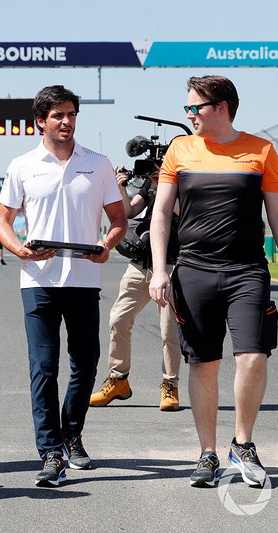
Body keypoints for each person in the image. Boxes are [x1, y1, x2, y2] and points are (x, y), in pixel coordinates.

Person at [149, 75, 278, 489]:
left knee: (253, 357)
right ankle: (206, 453)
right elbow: (162, 213)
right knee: (203, 364)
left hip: (247, 271)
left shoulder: (261, 150)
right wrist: (161, 269)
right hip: (194, 271)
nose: (188, 115)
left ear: (221, 107)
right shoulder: (180, 149)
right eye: (187, 108)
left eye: (194, 108)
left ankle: (243, 442)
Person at [0, 85, 127, 487]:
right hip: (38, 281)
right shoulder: (22, 164)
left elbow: (119, 220)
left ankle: (72, 433)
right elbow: (3, 220)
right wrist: (19, 249)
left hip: (84, 280)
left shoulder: (98, 163)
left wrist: (106, 246)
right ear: (41, 121)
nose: (67, 121)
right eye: (58, 115)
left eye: (71, 114)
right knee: (44, 367)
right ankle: (51, 451)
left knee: (86, 362)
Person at [89, 168, 183, 411]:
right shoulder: (147, 185)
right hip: (141, 263)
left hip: (172, 264)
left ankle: (169, 385)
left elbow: (183, 213)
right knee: (118, 319)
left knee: (168, 330)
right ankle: (118, 380)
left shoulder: (184, 180)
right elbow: (130, 211)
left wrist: (166, 182)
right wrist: (121, 187)